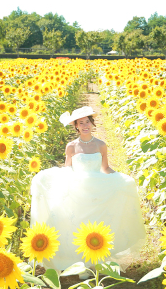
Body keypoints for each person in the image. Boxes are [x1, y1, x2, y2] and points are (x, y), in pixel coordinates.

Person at [30, 106, 146, 273]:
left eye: (87, 122)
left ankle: (94, 262)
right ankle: (81, 266)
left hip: (96, 192)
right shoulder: (71, 147)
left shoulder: (101, 145)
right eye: (81, 122)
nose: (85, 125)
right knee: (76, 225)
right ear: (76, 126)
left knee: (96, 226)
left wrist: (123, 179)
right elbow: (68, 169)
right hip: (78, 191)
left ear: (92, 124)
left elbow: (105, 168)